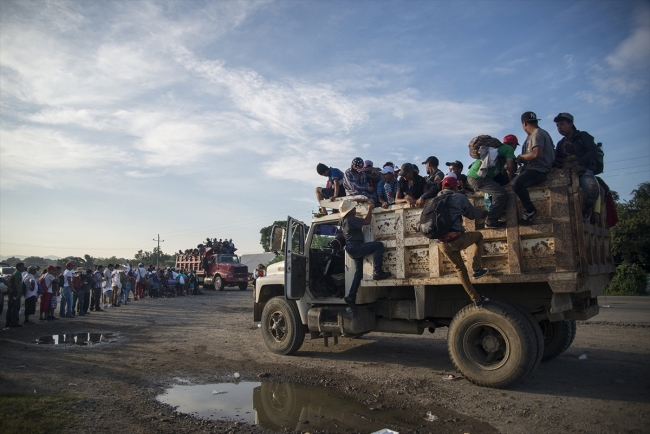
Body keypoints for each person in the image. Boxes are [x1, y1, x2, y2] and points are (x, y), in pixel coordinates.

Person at [435, 176, 490, 306]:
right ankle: (477, 268)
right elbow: (471, 214)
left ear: (442, 187)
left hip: (442, 244)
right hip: (456, 239)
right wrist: (486, 214)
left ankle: (476, 299)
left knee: (460, 270)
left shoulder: (436, 200)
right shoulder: (459, 198)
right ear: (455, 187)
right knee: (479, 236)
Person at [339, 199, 391, 309]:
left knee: (359, 273)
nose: (354, 209)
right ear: (349, 211)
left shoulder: (343, 220)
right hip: (356, 247)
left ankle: (351, 296)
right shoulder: (350, 219)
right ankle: (378, 272)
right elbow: (367, 221)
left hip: (351, 248)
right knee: (378, 246)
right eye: (353, 208)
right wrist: (370, 209)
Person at [553, 112, 601, 221]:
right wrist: (557, 166)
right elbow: (556, 159)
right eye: (557, 126)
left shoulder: (583, 136)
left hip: (584, 169)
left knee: (592, 189)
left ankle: (588, 209)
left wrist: (577, 162)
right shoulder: (560, 143)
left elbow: (592, 151)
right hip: (565, 172)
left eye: (562, 124)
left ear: (571, 124)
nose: (559, 127)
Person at [512, 111, 556, 225]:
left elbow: (536, 154)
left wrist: (521, 156)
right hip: (531, 168)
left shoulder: (537, 134)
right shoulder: (530, 137)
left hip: (539, 169)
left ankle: (529, 210)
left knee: (516, 184)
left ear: (524, 123)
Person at [465, 138, 517, 228]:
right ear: (513, 144)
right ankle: (491, 220)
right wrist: (511, 180)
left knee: (499, 190)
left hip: (474, 176)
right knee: (501, 193)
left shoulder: (500, 149)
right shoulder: (508, 149)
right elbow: (510, 164)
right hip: (478, 177)